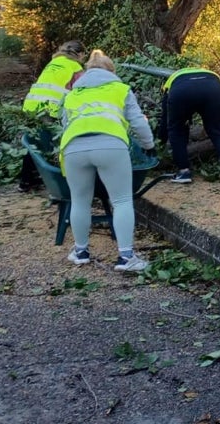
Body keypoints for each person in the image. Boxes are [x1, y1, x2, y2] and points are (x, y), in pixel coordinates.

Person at [60, 50, 156, 272]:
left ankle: (81, 252)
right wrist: (149, 146)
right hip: (111, 146)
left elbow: (65, 125)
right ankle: (126, 257)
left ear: (86, 72)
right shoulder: (120, 89)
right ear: (111, 71)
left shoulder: (72, 94)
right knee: (121, 201)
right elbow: (138, 123)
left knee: (80, 201)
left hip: (73, 147)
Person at [159, 66, 220, 186]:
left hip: (182, 92)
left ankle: (184, 172)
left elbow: (166, 118)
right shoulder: (214, 76)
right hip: (212, 89)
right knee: (217, 131)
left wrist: (160, 141)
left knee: (177, 130)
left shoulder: (170, 83)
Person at [23, 40, 87, 116]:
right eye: (84, 55)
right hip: (51, 111)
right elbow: (83, 92)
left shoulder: (53, 62)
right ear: (80, 54)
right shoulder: (75, 67)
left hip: (30, 107)